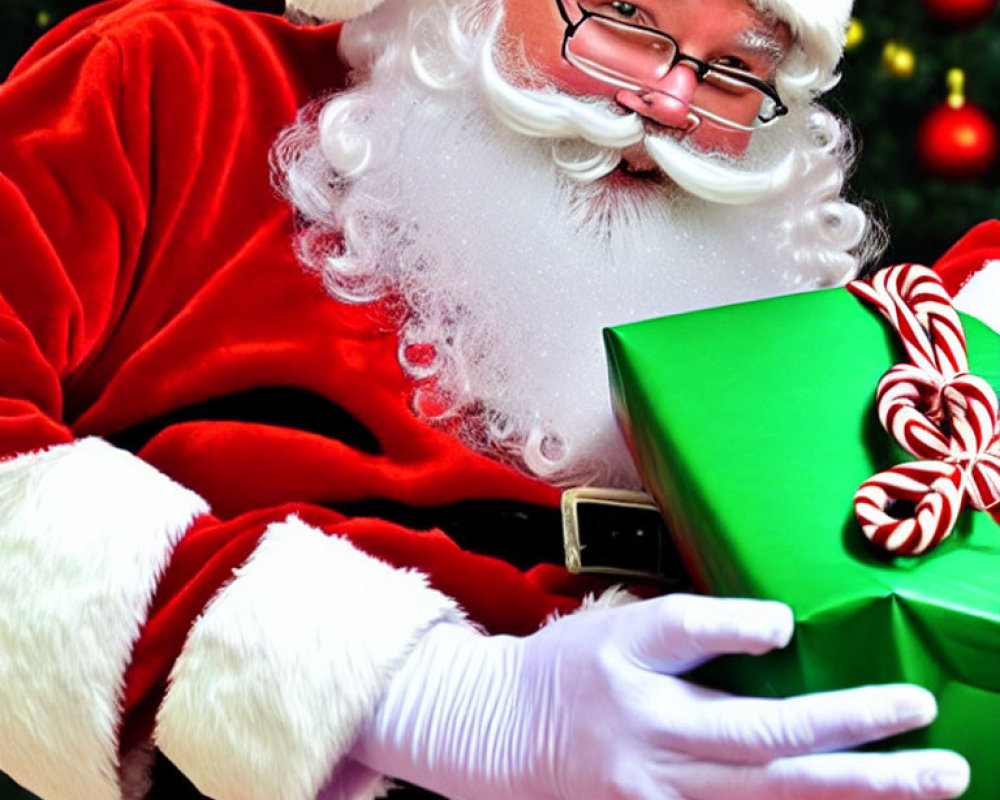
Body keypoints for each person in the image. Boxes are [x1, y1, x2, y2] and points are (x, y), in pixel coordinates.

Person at [0, 0, 995, 797]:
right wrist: (422, 699)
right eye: (621, 17)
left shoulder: (831, 340)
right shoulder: (177, 86)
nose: (666, 99)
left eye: (736, 68)